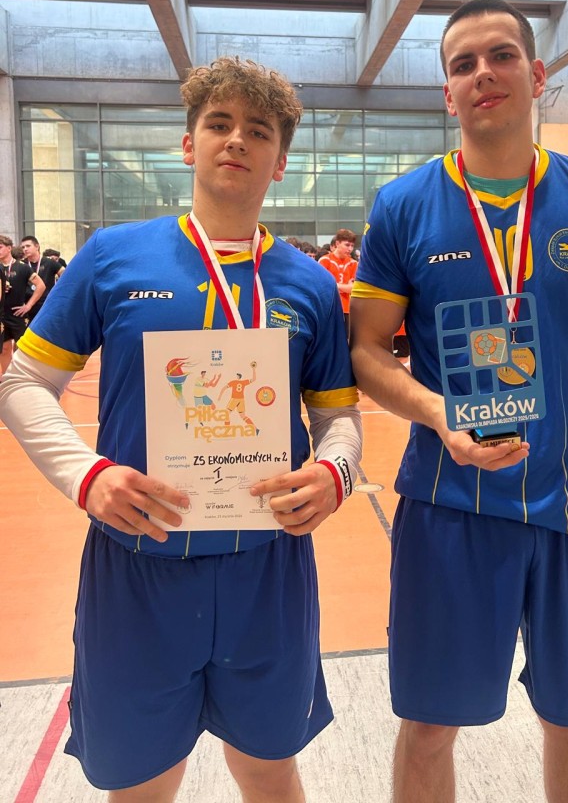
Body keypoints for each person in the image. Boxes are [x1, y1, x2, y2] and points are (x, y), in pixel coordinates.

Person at [349, 0, 568, 803]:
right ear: (447, 93)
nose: (483, 74)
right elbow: (366, 352)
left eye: (501, 56)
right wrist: (439, 414)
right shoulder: (403, 205)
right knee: (429, 726)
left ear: (536, 75)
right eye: (462, 64)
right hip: (449, 506)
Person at [0, 56, 362, 802]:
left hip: (269, 568)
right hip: (140, 564)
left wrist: (337, 473)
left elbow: (337, 417)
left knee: (269, 769)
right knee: (141, 784)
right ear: (189, 144)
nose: (237, 140)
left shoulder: (309, 283)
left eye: (258, 130)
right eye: (219, 123)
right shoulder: (113, 258)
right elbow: (24, 383)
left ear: (281, 161)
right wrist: (87, 476)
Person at [0, 234, 45, 374]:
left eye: (0, 247)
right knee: (4, 348)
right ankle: (7, 377)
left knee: (20, 348)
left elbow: (41, 286)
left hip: (18, 314)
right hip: (2, 315)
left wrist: (28, 305)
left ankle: (21, 376)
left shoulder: (23, 267)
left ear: (9, 248)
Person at [319, 228, 358, 339]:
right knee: (328, 340)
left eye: (352, 246)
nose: (350, 249)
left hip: (346, 309)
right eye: (347, 245)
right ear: (337, 243)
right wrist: (344, 286)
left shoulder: (354, 263)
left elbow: (353, 289)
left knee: (344, 341)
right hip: (328, 308)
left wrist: (333, 284)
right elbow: (322, 286)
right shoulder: (324, 260)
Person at [20, 234, 65, 319]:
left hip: (47, 305)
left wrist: (59, 293)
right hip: (28, 305)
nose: (25, 249)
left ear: (37, 246)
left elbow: (65, 275)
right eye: (23, 247)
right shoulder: (22, 264)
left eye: (28, 246)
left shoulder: (49, 262)